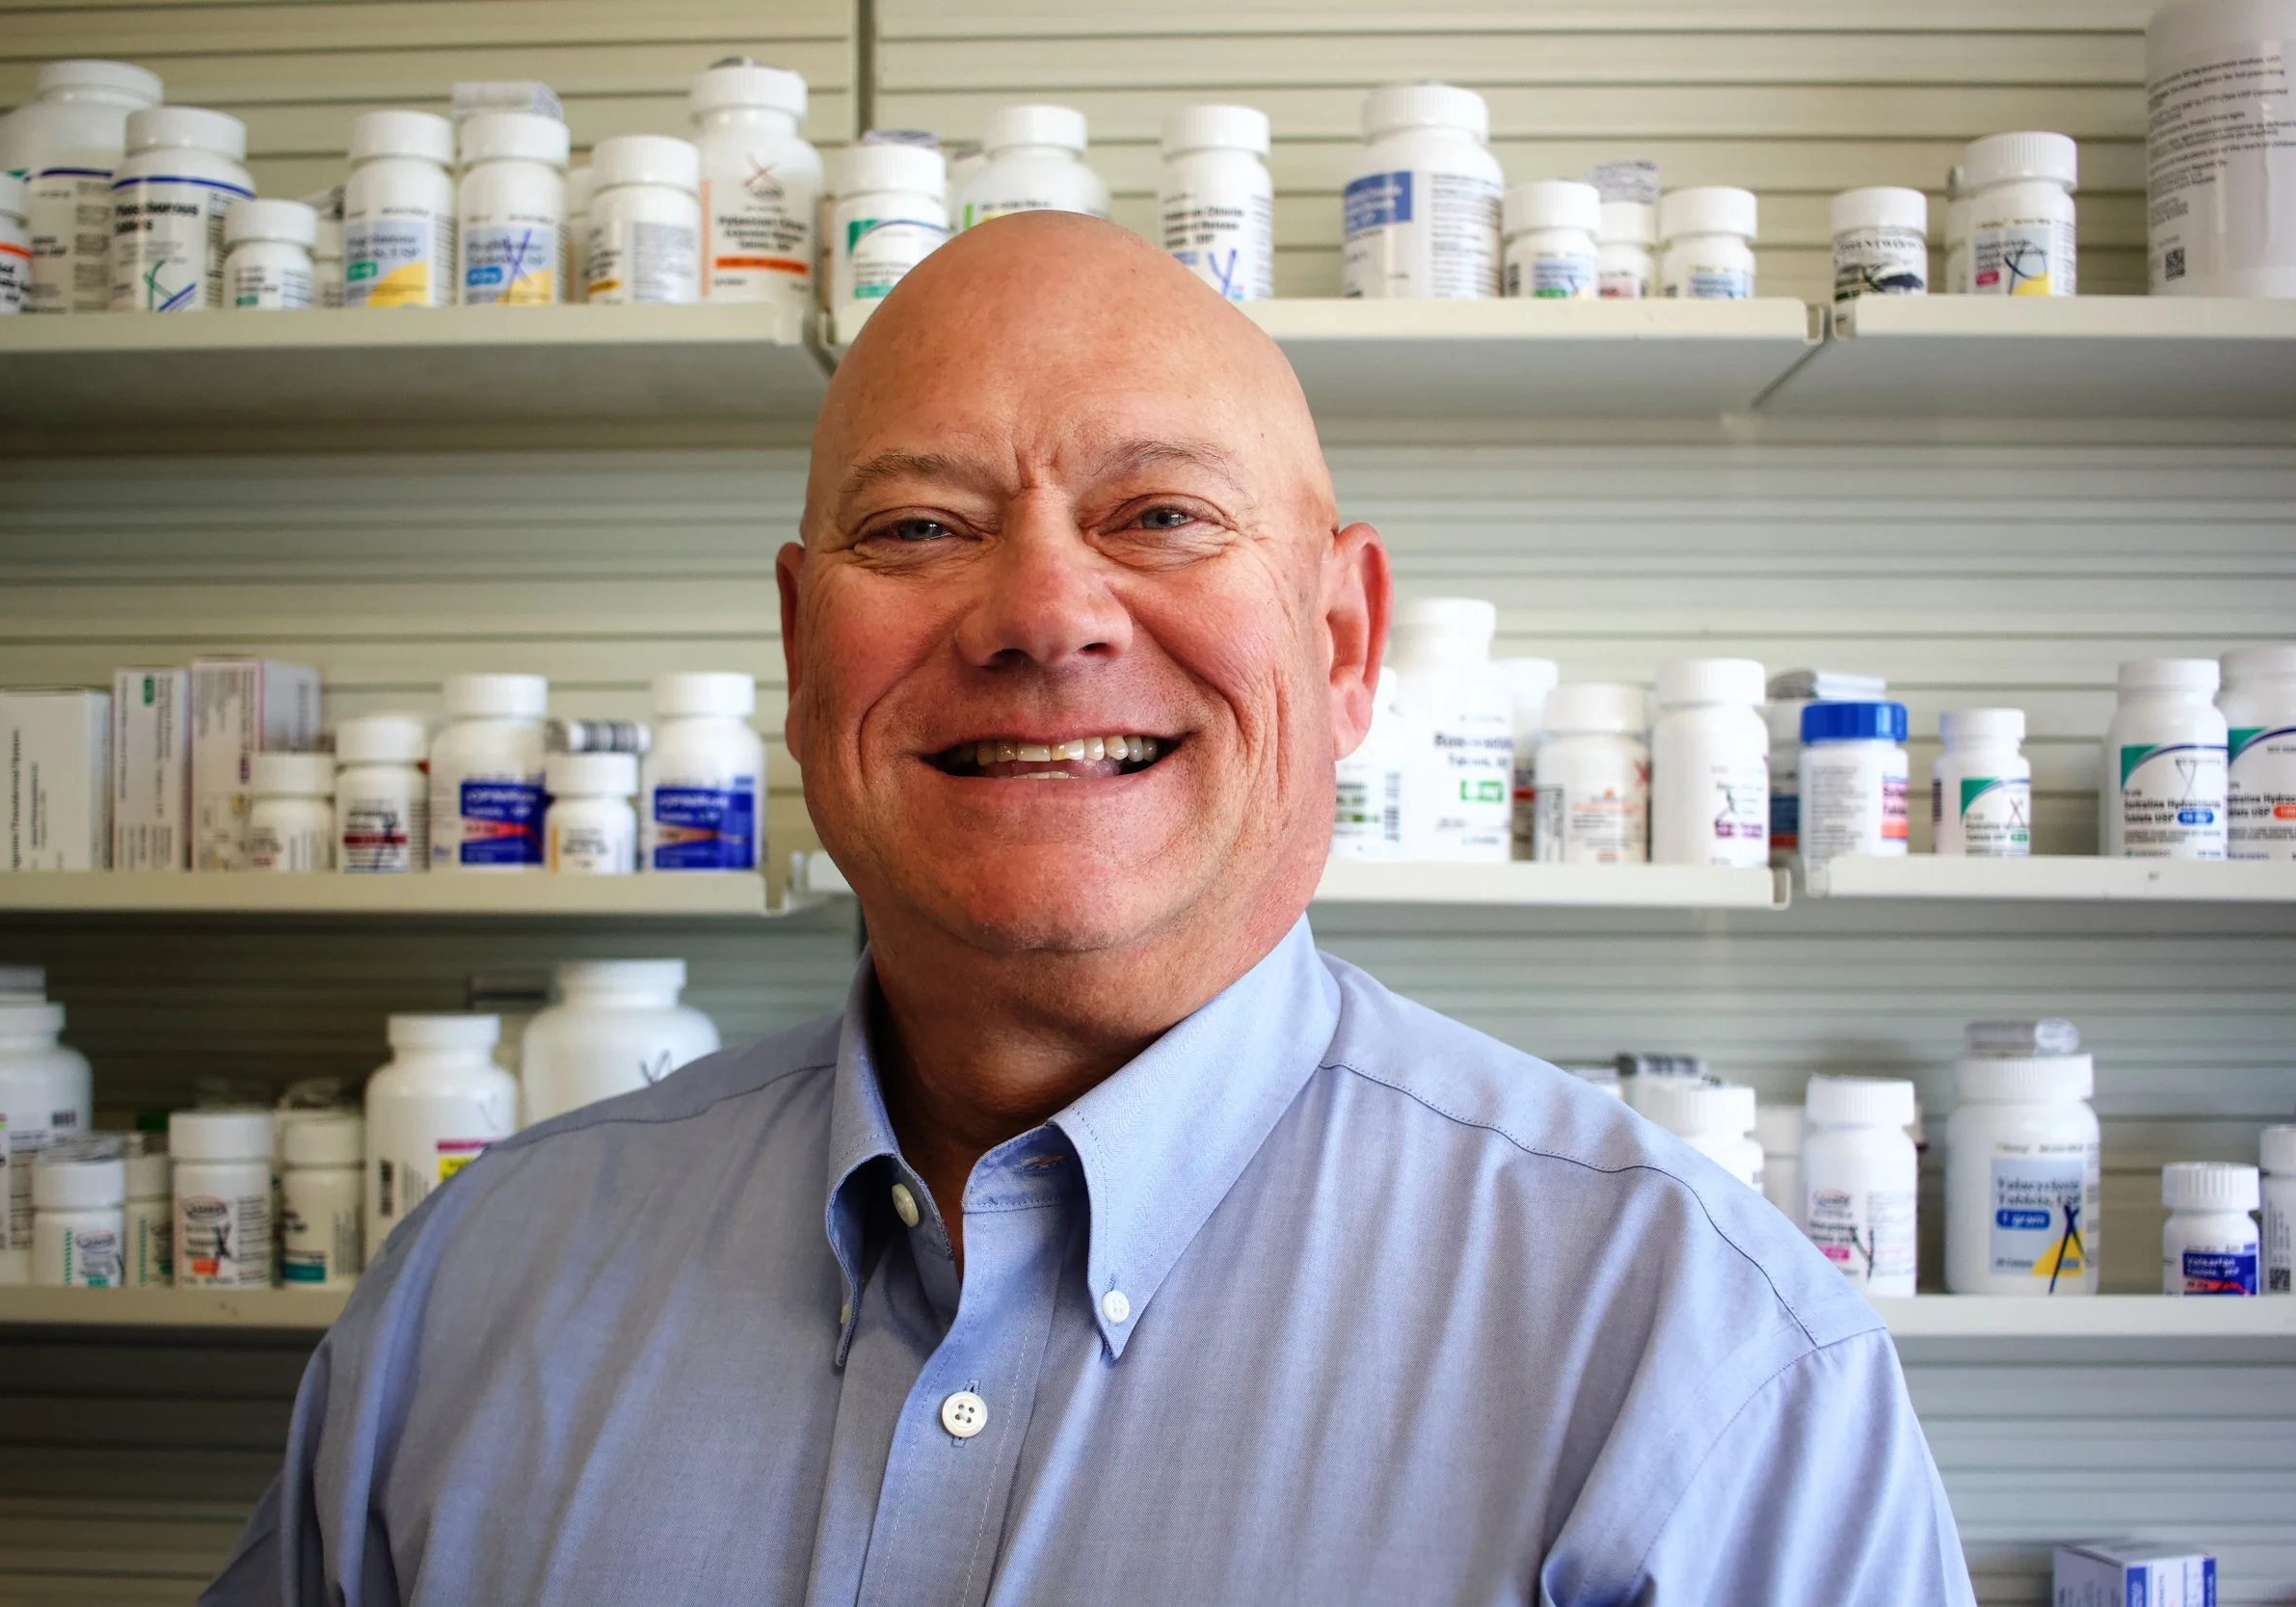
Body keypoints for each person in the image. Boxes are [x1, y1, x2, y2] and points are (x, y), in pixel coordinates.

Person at [205, 212, 1975, 1605]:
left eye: (1163, 514)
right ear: (804, 654)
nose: (1044, 615)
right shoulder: (470, 1297)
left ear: (1343, 643)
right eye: (919, 528)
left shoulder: (1697, 1364)